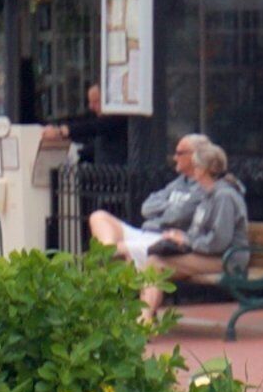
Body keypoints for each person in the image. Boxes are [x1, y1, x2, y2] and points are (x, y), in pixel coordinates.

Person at [88, 133, 249, 316]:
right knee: (151, 261)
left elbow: (218, 241)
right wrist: (182, 239)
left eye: (196, 166)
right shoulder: (209, 193)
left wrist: (186, 241)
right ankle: (134, 314)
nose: (193, 171)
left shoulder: (223, 196)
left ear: (203, 169)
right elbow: (151, 208)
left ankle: (144, 319)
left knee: (155, 263)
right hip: (206, 252)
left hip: (225, 259)